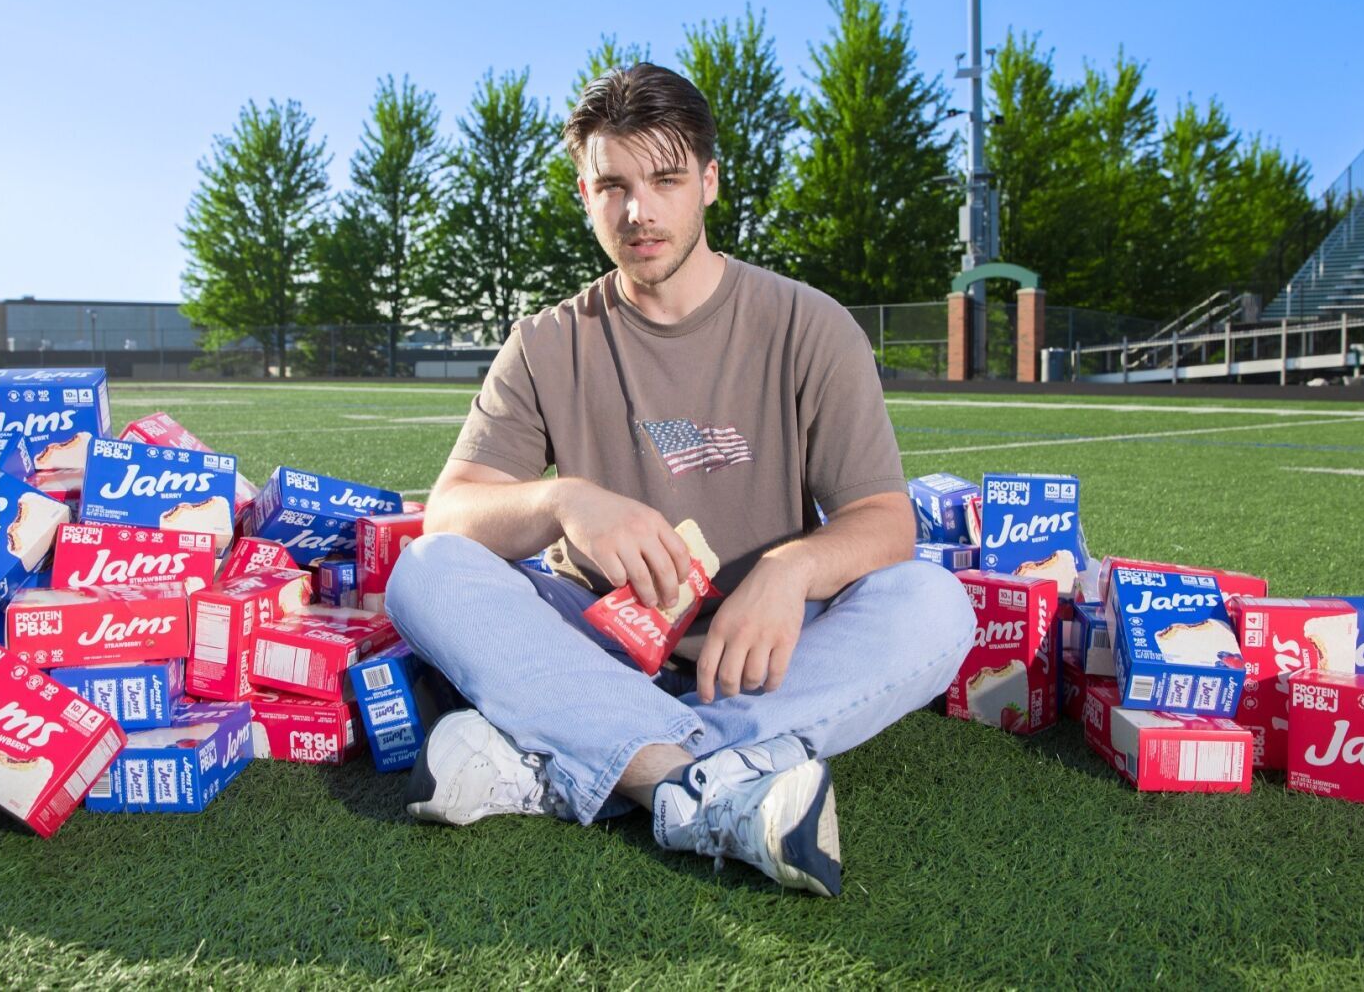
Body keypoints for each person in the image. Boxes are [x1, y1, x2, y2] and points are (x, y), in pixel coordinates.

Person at [384, 63, 972, 897]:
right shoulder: (548, 341)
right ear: (584, 193)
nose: (639, 211)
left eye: (664, 179)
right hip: (591, 639)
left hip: (766, 651)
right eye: (612, 185)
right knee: (427, 570)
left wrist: (790, 568)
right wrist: (563, 499)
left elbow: (883, 520)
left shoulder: (810, 325)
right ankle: (698, 785)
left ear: (709, 181)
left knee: (935, 606)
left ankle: (571, 763)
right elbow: (451, 511)